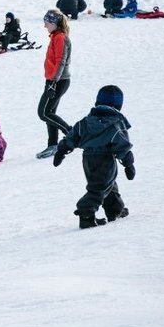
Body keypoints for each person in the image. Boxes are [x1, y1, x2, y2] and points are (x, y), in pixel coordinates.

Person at [53, 85, 134, 229]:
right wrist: (128, 164)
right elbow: (122, 145)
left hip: (88, 159)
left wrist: (62, 150)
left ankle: (115, 209)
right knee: (99, 188)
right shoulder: (115, 124)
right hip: (105, 159)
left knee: (107, 183)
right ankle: (86, 214)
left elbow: (73, 135)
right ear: (119, 105)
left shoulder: (86, 121)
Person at [36, 9, 72, 159]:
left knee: (43, 112)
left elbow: (61, 61)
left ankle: (71, 134)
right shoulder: (55, 37)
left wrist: (54, 81)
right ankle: (53, 145)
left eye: (46, 22)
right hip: (53, 80)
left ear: (53, 23)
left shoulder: (60, 38)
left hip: (58, 81)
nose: (45, 26)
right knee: (50, 113)